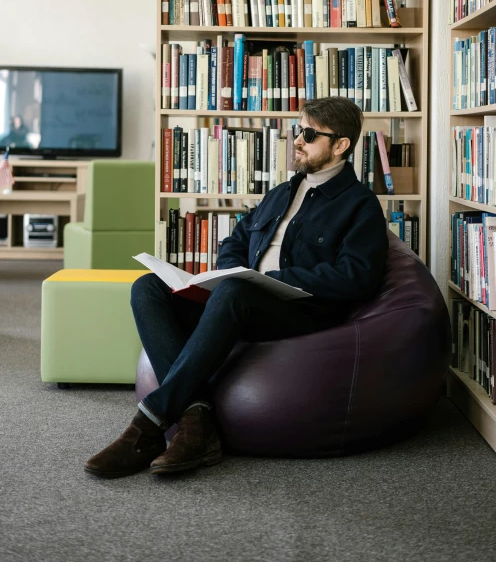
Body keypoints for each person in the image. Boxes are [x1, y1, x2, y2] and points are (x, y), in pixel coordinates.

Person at [85, 97, 389, 479]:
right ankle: (197, 421)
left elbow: (357, 276)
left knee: (234, 293)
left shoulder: (360, 205)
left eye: (309, 135)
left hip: (300, 311)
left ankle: (148, 425)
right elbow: (235, 240)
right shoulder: (283, 192)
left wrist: (270, 281)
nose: (297, 140)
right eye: (298, 130)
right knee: (148, 286)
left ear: (340, 145)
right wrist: (231, 272)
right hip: (241, 298)